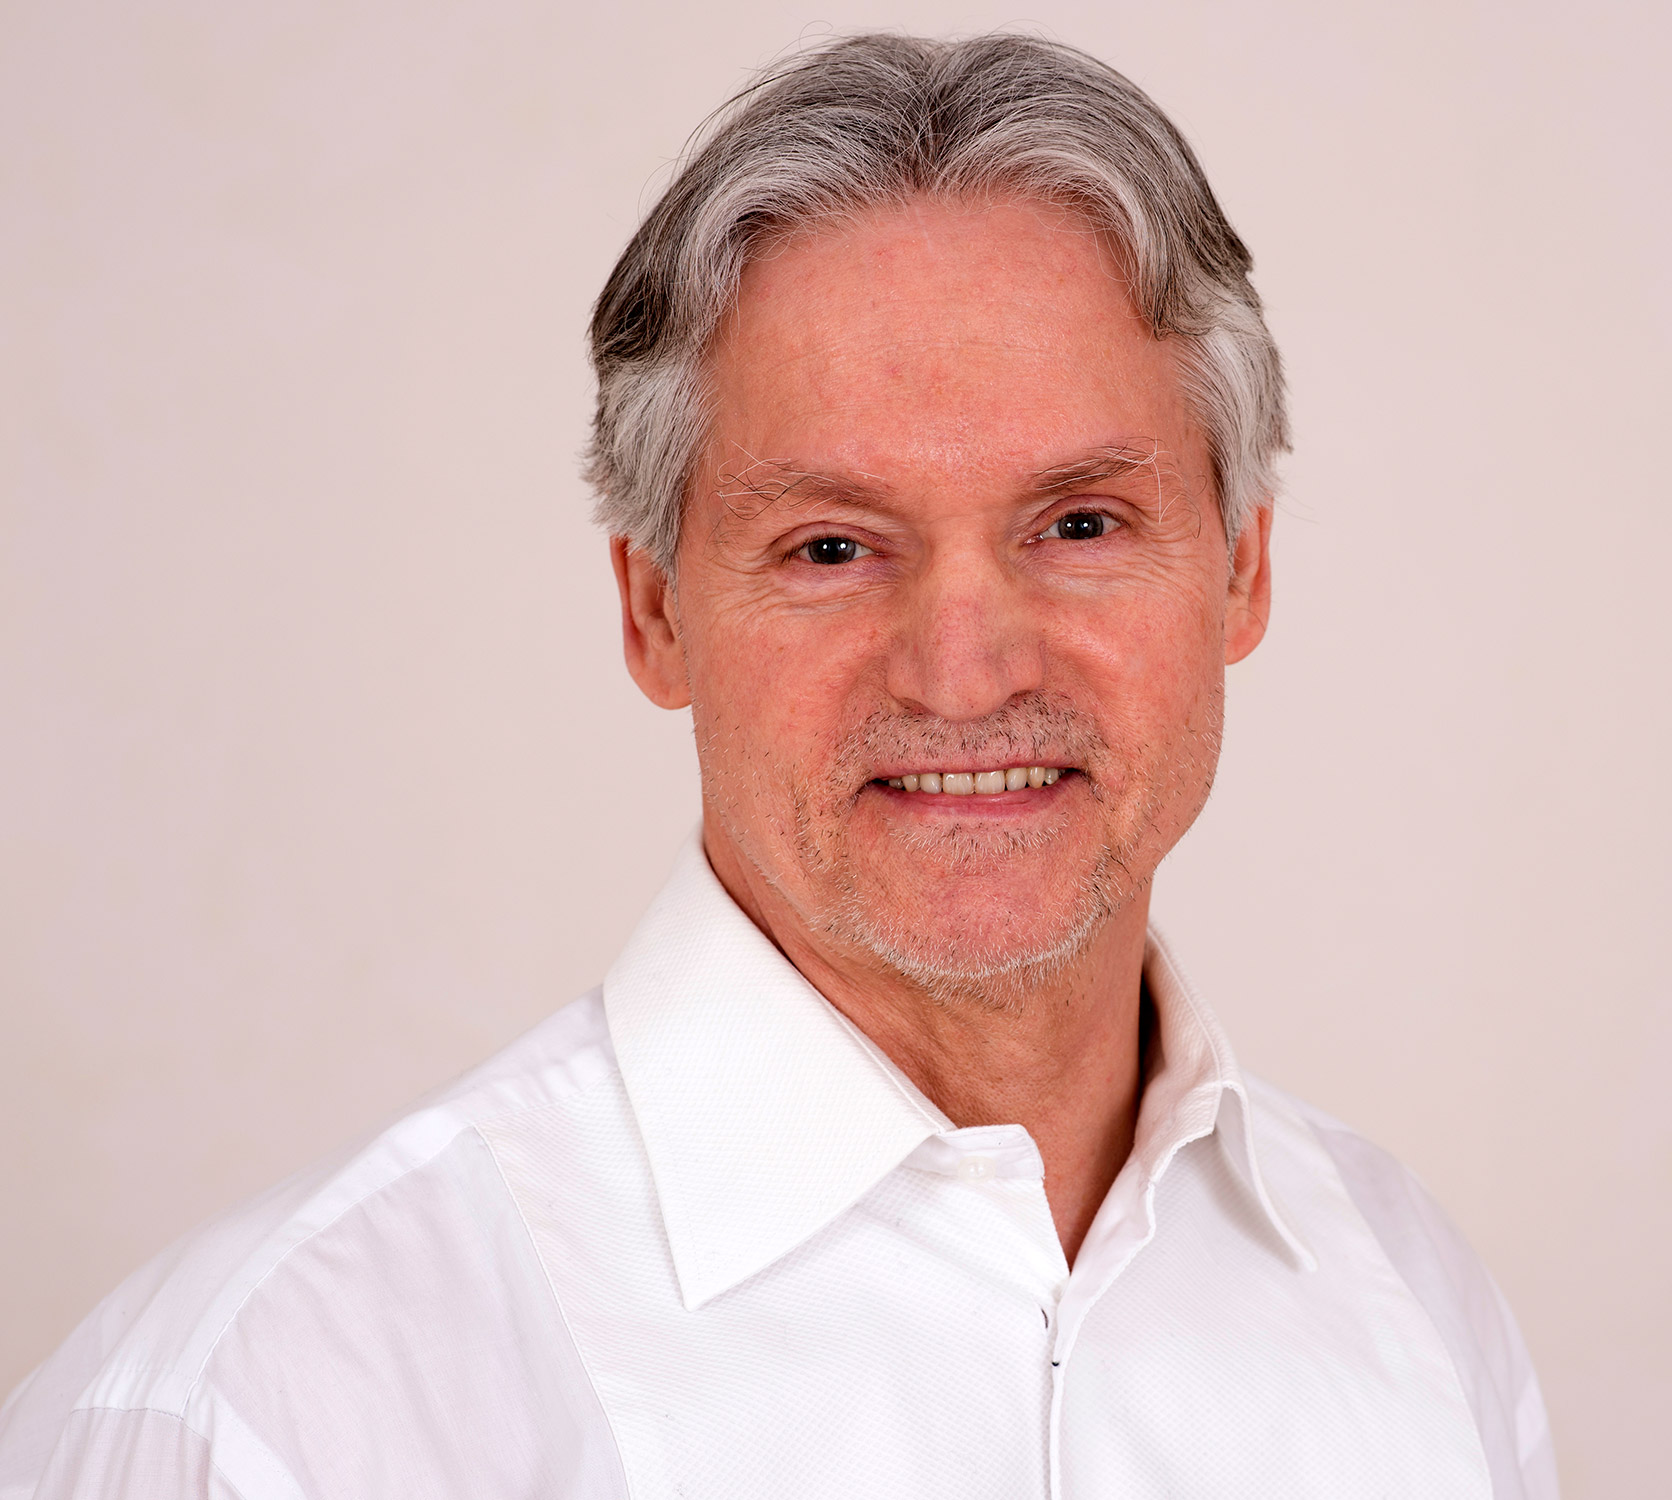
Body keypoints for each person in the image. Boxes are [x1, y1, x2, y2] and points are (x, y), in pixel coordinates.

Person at [0, 32, 1558, 1500]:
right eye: (830, 546)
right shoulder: (270, 1413)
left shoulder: (1414, 1317)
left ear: (1242, 572)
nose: (965, 672)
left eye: (1080, 524)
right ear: (655, 612)